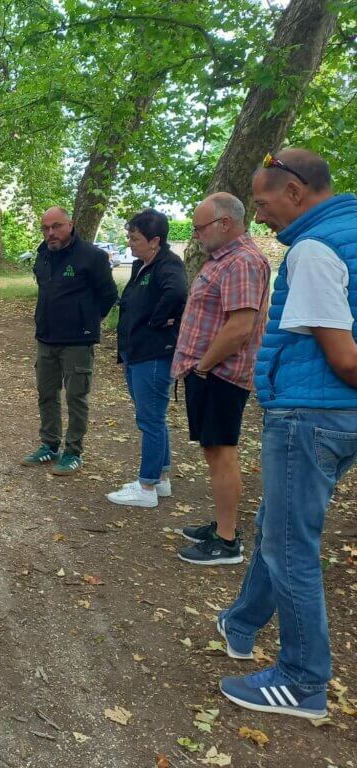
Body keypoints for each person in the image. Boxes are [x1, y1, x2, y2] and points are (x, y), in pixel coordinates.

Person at [216, 150, 357, 720]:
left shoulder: (314, 249)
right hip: (337, 416)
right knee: (276, 524)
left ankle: (302, 681)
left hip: (309, 415)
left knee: (289, 545)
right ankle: (242, 620)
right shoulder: (348, 233)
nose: (260, 214)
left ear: (295, 192)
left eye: (262, 201)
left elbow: (344, 357)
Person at [173, 192, 271, 566]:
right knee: (214, 451)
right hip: (209, 372)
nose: (196, 234)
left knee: (222, 452)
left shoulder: (243, 261)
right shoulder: (224, 260)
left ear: (225, 223)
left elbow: (240, 327)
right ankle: (221, 526)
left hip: (220, 374)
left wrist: (203, 366)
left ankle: (227, 541)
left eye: (200, 228)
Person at [21, 207, 119, 475]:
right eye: (45, 228)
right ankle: (49, 445)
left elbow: (109, 295)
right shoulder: (43, 255)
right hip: (46, 338)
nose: (50, 233)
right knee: (47, 394)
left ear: (71, 225)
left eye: (56, 226)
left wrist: (87, 321)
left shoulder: (92, 257)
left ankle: (73, 452)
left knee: (76, 397)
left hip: (77, 341)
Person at [106, 209, 187, 507]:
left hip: (153, 355)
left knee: (150, 420)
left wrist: (157, 321)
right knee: (152, 417)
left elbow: (177, 293)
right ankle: (161, 478)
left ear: (155, 241)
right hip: (136, 352)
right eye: (129, 237)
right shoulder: (143, 265)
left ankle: (146, 487)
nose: (129, 243)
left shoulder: (168, 264)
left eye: (134, 238)